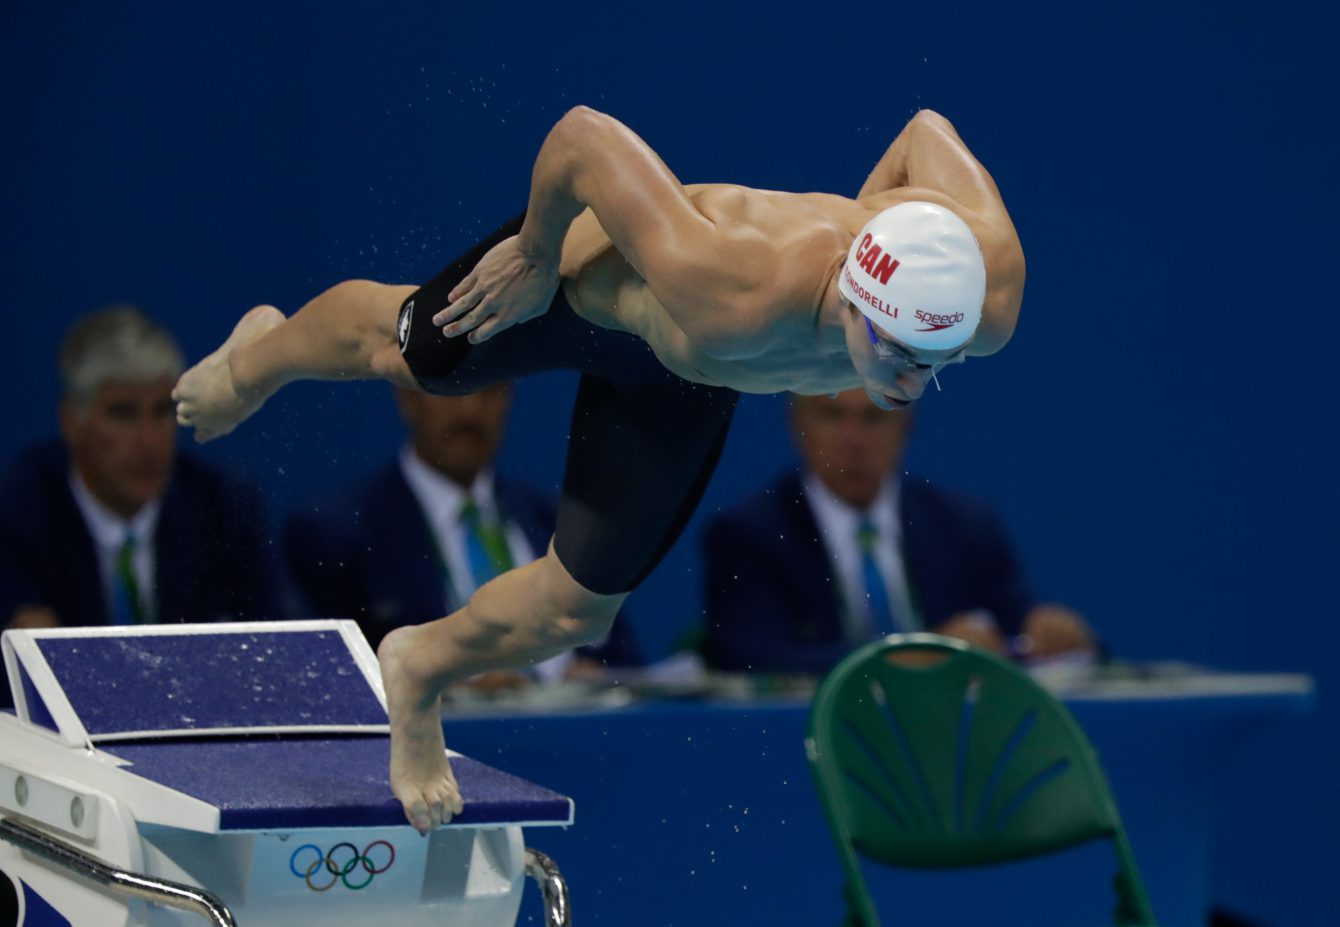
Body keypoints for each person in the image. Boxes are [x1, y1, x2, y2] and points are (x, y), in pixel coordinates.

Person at [172, 105, 1026, 833]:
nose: (913, 388)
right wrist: (539, 251)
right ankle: (258, 357)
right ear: (853, 298)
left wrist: (873, 215)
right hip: (584, 296)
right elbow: (583, 137)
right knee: (408, 355)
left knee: (576, 611)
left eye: (936, 362)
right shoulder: (727, 277)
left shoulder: (983, 300)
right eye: (902, 356)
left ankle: (419, 666)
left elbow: (925, 130)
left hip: (688, 378)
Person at [700, 390, 1095, 675]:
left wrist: (1054, 633)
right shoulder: (750, 533)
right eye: (831, 415)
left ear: (906, 424)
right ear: (796, 422)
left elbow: (1019, 626)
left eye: (873, 417)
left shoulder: (963, 523)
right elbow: (748, 657)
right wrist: (904, 657)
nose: (853, 440)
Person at [0, 307, 281, 698]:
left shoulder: (224, 507)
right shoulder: (18, 511)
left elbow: (272, 661)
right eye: (123, 413)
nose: (148, 440)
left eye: (162, 411)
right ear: (72, 421)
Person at [283, 383, 641, 679]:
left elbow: (623, 659)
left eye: (490, 390)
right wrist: (446, 690)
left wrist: (599, 678)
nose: (469, 412)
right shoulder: (339, 532)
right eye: (452, 389)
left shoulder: (556, 518)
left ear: (509, 399)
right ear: (408, 398)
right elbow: (329, 686)